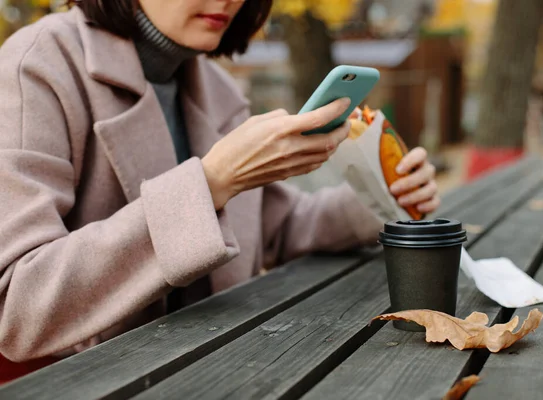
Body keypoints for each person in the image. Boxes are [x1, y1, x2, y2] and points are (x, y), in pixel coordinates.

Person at [0, 0, 440, 379]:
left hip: (227, 367)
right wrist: (212, 183)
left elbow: (276, 228)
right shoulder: (37, 65)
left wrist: (384, 200)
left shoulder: (217, 87)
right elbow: (17, 303)